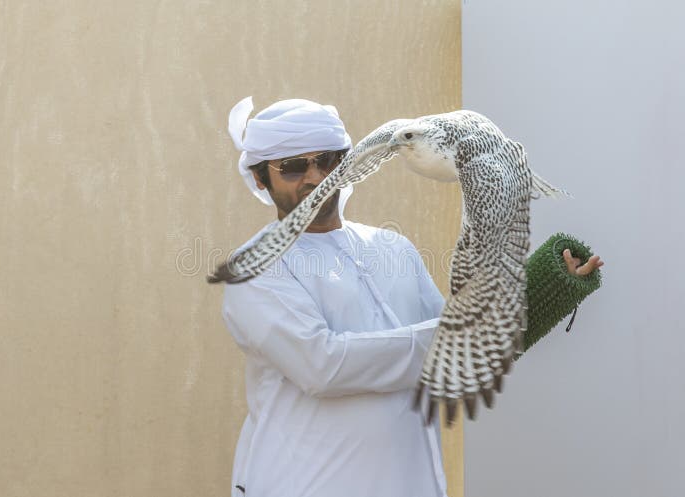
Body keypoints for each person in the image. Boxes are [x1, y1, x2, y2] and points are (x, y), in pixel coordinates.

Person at [219, 97, 603, 497]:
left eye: (329, 160)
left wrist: (550, 285)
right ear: (260, 178)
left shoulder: (392, 248)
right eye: (294, 166)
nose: (316, 177)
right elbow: (323, 366)